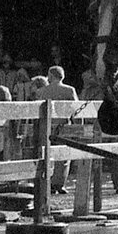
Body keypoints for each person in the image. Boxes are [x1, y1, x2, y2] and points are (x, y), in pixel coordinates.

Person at [36, 65, 79, 194]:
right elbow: (76, 110)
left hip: (46, 127)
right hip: (64, 127)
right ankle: (59, 184)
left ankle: (46, 182)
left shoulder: (41, 92)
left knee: (46, 155)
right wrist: (77, 126)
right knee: (64, 157)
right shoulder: (70, 90)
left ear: (51, 76)